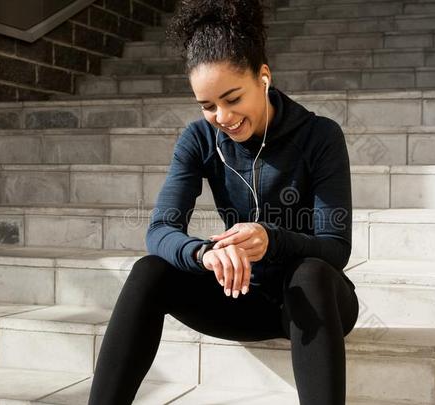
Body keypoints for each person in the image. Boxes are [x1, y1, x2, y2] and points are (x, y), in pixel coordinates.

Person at [87, 0, 359, 404]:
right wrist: (203, 255)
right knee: (149, 271)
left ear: (263, 77)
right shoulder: (197, 140)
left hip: (313, 302)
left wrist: (272, 238)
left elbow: (335, 247)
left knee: (311, 273)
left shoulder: (319, 136)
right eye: (208, 105)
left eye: (233, 98)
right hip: (241, 297)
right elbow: (160, 231)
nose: (222, 116)